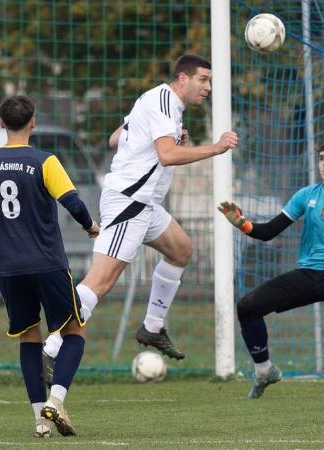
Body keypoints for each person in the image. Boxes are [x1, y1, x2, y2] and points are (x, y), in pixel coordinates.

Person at [41, 55, 238, 369]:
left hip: (145, 205)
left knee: (181, 250)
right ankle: (50, 350)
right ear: (183, 79)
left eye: (210, 81)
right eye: (203, 79)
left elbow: (115, 138)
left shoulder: (157, 101)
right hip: (129, 202)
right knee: (100, 282)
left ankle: (153, 327)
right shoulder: (163, 101)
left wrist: (167, 137)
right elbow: (167, 155)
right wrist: (215, 147)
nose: (208, 87)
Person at [0, 95, 99, 437]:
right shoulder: (44, 161)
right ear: (33, 122)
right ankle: (56, 399)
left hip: (9, 267)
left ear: (1, 123)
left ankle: (40, 419)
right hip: (47, 263)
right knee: (74, 331)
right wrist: (89, 226)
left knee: (29, 336)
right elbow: (73, 203)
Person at [218, 141, 324, 399]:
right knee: (247, 306)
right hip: (309, 273)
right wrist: (242, 223)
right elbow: (269, 231)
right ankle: (264, 370)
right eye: (322, 158)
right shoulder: (306, 195)